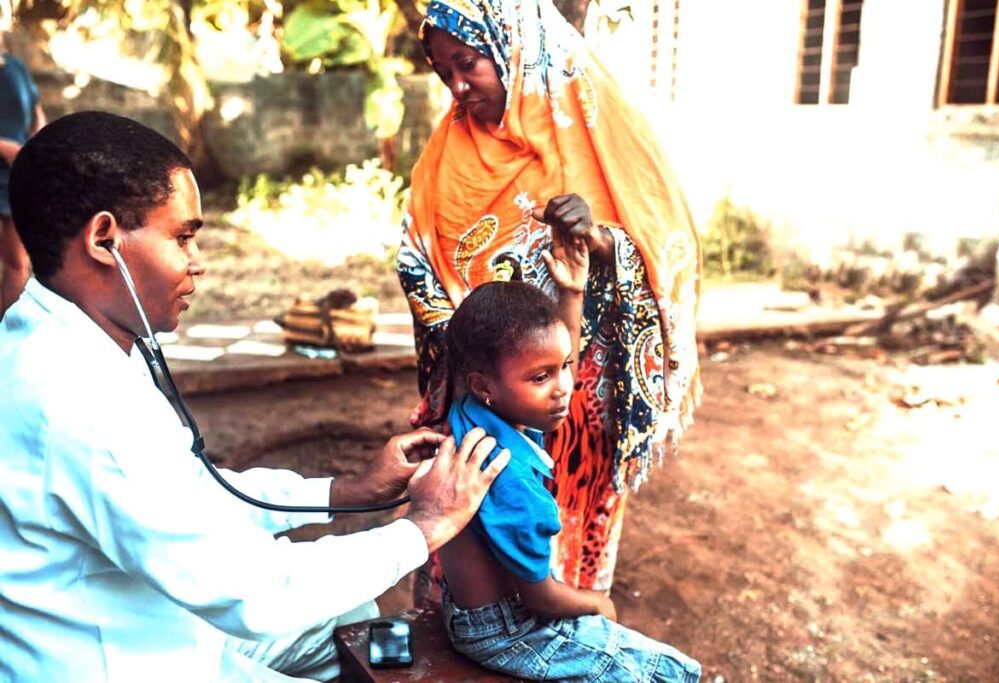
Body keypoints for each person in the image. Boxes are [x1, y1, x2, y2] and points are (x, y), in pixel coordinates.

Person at [0, 111, 510, 682]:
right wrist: (423, 527)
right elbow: (254, 591)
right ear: (103, 239)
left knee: (351, 617)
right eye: (182, 237)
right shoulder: (73, 401)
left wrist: (345, 491)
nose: (198, 263)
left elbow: (191, 495)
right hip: (122, 663)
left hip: (163, 624)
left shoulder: (73, 335)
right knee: (346, 630)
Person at [397, 0, 702, 604]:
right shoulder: (448, 154)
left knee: (560, 555)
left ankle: (564, 621)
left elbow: (666, 250)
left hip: (573, 406)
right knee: (468, 555)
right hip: (480, 403)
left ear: (513, 49)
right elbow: (416, 257)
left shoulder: (598, 134)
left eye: (468, 65)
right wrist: (470, 340)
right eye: (443, 73)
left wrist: (599, 242)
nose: (457, 87)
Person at [438, 263, 702, 680]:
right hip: (503, 630)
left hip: (464, 605)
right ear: (484, 386)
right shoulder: (512, 481)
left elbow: (549, 361)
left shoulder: (475, 412)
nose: (564, 386)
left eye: (567, 365)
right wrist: (596, 601)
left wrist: (571, 294)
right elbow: (540, 600)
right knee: (666, 673)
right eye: (542, 377)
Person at [0, 33, 45, 315]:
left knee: (18, 263)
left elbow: (37, 114)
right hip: (8, 159)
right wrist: (5, 148)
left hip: (17, 175)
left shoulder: (15, 67)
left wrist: (41, 145)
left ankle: (5, 338)